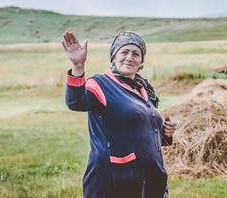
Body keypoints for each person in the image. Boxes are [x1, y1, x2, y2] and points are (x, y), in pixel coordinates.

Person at [61, 30, 177, 198]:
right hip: (115, 180)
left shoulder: (143, 89)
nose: (129, 57)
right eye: (124, 52)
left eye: (136, 54)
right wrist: (78, 66)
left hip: (149, 178)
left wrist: (165, 133)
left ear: (141, 62)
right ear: (114, 57)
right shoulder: (101, 84)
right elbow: (76, 102)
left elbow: (142, 130)